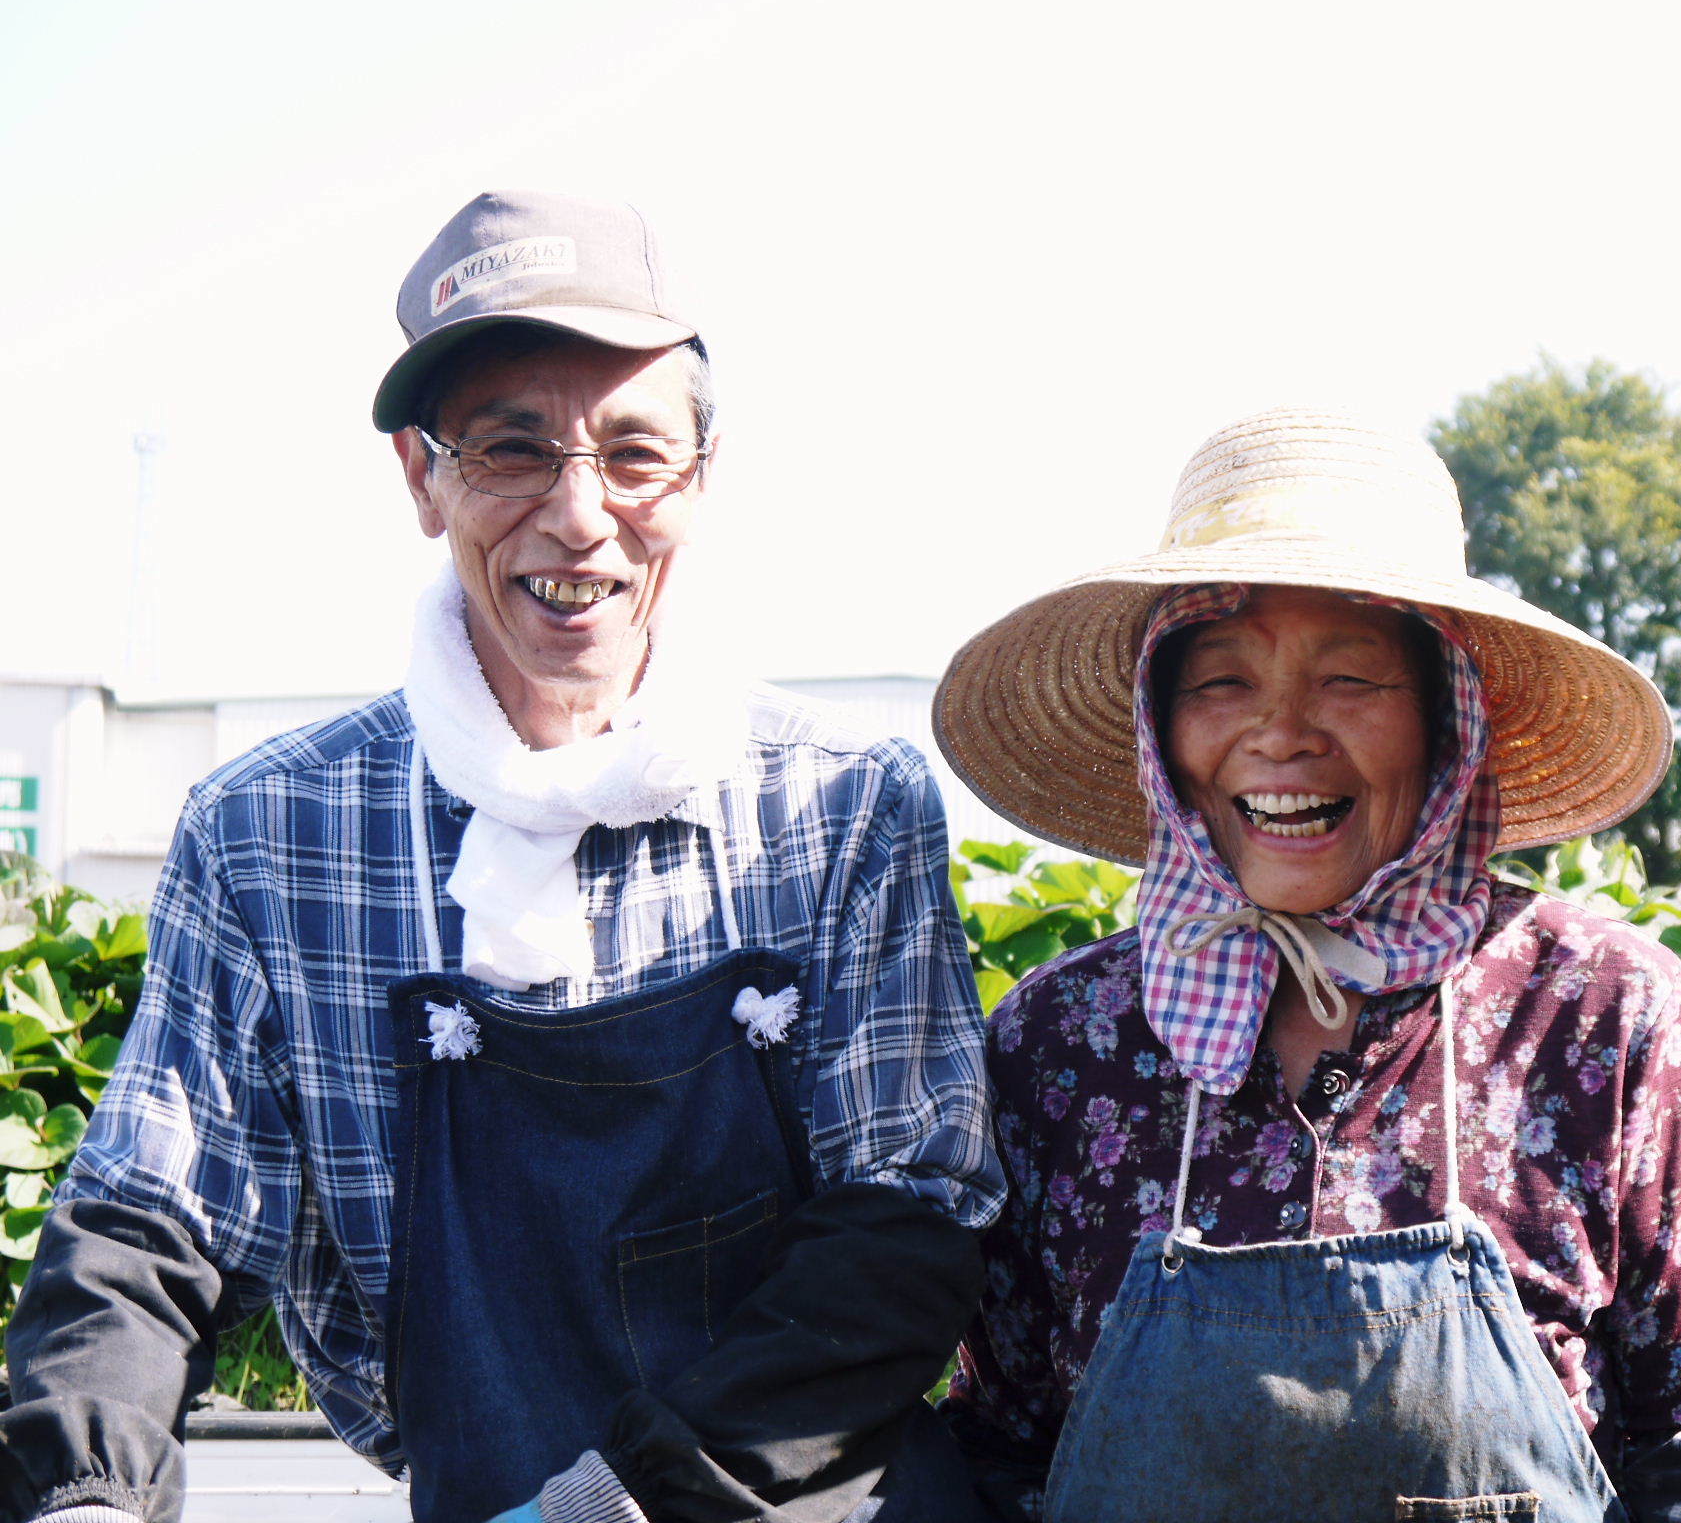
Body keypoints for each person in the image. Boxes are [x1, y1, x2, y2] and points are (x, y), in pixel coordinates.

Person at [0, 191, 1002, 1523]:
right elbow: (144, 1226)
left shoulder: (844, 810)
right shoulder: (269, 836)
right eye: (513, 450)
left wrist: (609, 1507)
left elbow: (909, 1219)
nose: (582, 517)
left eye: (635, 455)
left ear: (700, 481)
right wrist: (85, 1493)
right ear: (424, 477)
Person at [932, 409, 1681, 1522]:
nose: (1281, 734)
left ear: (1448, 723)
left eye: (1349, 680)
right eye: (1219, 684)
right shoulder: (1063, 1039)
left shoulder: (1596, 1011)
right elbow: (1002, 1446)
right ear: (1159, 728)